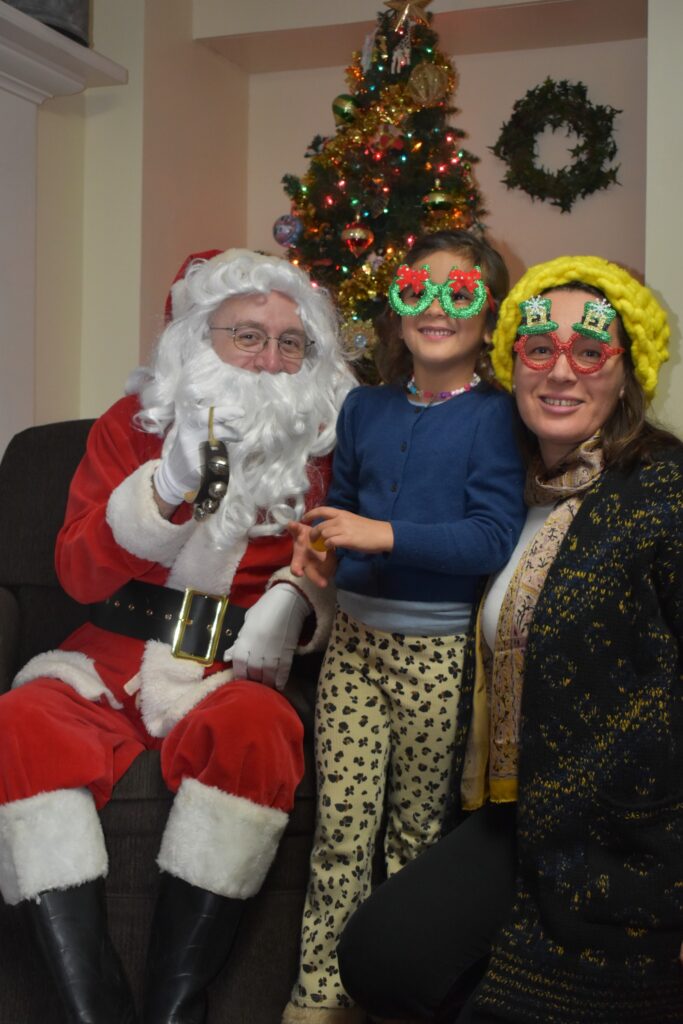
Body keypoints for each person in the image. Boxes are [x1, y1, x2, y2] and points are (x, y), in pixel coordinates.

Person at [0, 248, 354, 1024]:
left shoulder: (326, 445)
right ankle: (93, 1007)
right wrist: (163, 491)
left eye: (289, 342)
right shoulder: (131, 426)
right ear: (199, 337)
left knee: (258, 732)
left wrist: (294, 600)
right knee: (18, 725)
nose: (269, 359)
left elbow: (341, 557)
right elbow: (77, 573)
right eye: (246, 335)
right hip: (108, 659)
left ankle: (174, 1006)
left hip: (228, 668)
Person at [337, 254, 683, 1024]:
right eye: (538, 348)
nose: (559, 371)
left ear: (626, 372)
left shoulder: (663, 491)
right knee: (379, 956)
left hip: (634, 829)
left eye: (588, 352)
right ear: (512, 361)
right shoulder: (507, 493)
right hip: (516, 813)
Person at [281, 230, 527, 1023]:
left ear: (488, 317)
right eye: (418, 288)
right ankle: (320, 994)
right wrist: (323, 547)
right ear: (396, 306)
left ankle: (392, 995)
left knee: (415, 835)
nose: (436, 307)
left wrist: (381, 535)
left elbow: (489, 537)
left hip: (436, 656)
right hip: (354, 649)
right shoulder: (365, 407)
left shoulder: (497, 417)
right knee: (339, 830)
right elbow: (343, 511)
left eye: (460, 293)